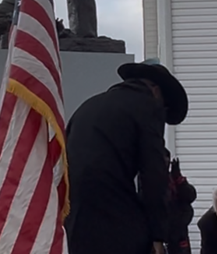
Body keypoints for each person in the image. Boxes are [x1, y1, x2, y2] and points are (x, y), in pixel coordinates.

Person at [65, 58, 189, 254]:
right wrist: (158, 236)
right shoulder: (147, 107)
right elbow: (153, 177)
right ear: (156, 91)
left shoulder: (87, 107)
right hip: (118, 226)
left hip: (77, 224)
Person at [163, 149, 197, 254]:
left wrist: (178, 178)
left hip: (179, 236)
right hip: (158, 234)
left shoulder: (174, 179)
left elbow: (190, 196)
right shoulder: (147, 179)